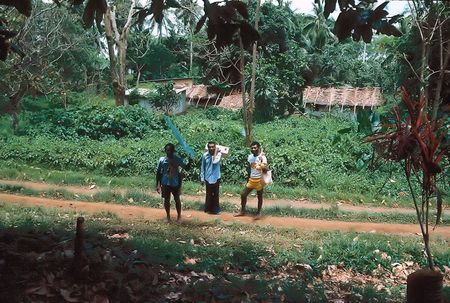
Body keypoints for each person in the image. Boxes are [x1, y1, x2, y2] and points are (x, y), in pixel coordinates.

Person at [156, 143, 191, 222]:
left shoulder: (177, 159)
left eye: (171, 150)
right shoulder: (162, 160)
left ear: (173, 151)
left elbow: (186, 168)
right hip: (165, 182)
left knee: (177, 199)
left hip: (175, 182)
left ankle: (179, 217)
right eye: (167, 150)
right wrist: (157, 184)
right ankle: (168, 216)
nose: (169, 152)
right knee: (166, 200)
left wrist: (190, 161)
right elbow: (158, 172)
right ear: (165, 151)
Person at [236, 141, 268, 217]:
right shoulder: (250, 157)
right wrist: (248, 178)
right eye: (252, 148)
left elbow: (266, 170)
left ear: (258, 148)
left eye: (255, 148)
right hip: (252, 179)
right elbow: (249, 168)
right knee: (243, 194)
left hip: (259, 180)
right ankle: (242, 211)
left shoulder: (262, 157)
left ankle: (258, 213)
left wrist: (261, 163)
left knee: (259, 196)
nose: (253, 149)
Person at [200, 141, 222, 214]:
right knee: (208, 194)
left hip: (216, 177)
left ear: (215, 147)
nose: (211, 148)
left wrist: (216, 152)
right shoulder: (205, 155)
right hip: (208, 177)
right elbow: (203, 167)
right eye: (210, 147)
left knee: (216, 194)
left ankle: (215, 210)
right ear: (208, 147)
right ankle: (208, 209)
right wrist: (202, 178)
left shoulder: (218, 154)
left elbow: (214, 161)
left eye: (213, 147)